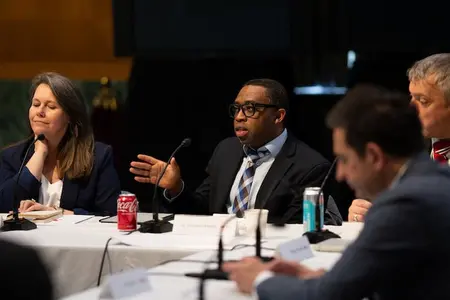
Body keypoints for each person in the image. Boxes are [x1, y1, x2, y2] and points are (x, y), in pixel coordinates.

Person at [223, 84, 450, 300]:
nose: (340, 174)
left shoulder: (403, 205)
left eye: (344, 159)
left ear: (373, 156)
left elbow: (323, 298)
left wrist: (259, 279)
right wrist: (318, 278)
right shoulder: (432, 178)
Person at [130, 79, 342, 224]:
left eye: (250, 109)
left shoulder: (310, 166)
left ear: (278, 116)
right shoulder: (226, 150)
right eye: (237, 109)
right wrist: (177, 188)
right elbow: (202, 210)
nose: (239, 116)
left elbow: (295, 232)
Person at [0, 72, 120, 215]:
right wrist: (39, 153)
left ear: (69, 116)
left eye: (50, 106)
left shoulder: (98, 157)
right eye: (36, 104)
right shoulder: (11, 157)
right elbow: (3, 205)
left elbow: (110, 216)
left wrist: (56, 213)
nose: (40, 112)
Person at [348, 53, 450, 222]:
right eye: (411, 97)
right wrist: (370, 211)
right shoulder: (406, 145)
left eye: (423, 101)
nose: (411, 108)